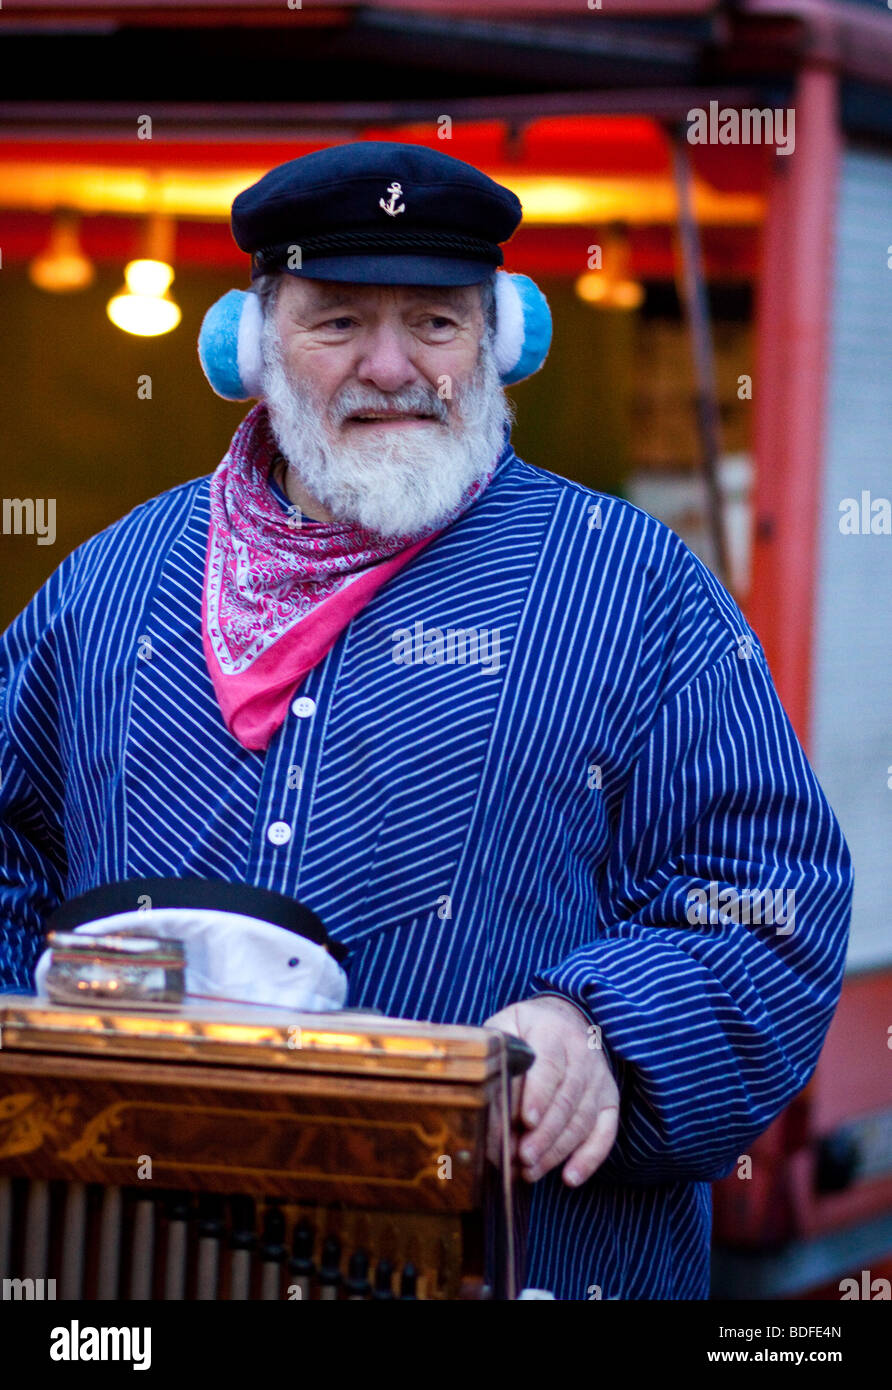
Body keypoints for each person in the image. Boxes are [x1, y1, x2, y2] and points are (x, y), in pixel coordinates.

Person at [0, 142, 853, 1300]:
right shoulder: (103, 591)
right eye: (338, 320)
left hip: (518, 1265)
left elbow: (768, 892)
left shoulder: (632, 586)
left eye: (436, 323)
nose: (390, 366)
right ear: (251, 346)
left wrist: (602, 1032)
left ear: (500, 340)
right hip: (142, 1276)